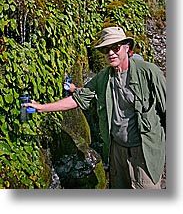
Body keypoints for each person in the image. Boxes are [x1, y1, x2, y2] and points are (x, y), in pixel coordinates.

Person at [24, 26, 166, 189]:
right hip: (116, 151)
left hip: (144, 150)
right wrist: (41, 107)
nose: (111, 53)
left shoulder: (149, 72)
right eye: (106, 49)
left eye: (115, 47)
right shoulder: (103, 78)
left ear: (127, 47)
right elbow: (77, 99)